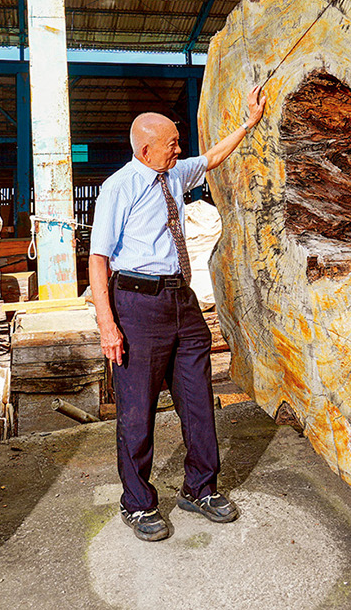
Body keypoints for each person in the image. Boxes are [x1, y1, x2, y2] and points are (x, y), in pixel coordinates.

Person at [89, 85, 266, 542]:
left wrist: (248, 123)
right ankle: (138, 502)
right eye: (172, 143)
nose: (179, 149)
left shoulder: (172, 174)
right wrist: (107, 324)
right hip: (136, 303)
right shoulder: (119, 187)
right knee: (137, 407)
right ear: (146, 149)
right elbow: (98, 260)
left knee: (197, 397)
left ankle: (201, 487)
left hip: (180, 301)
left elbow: (211, 158)